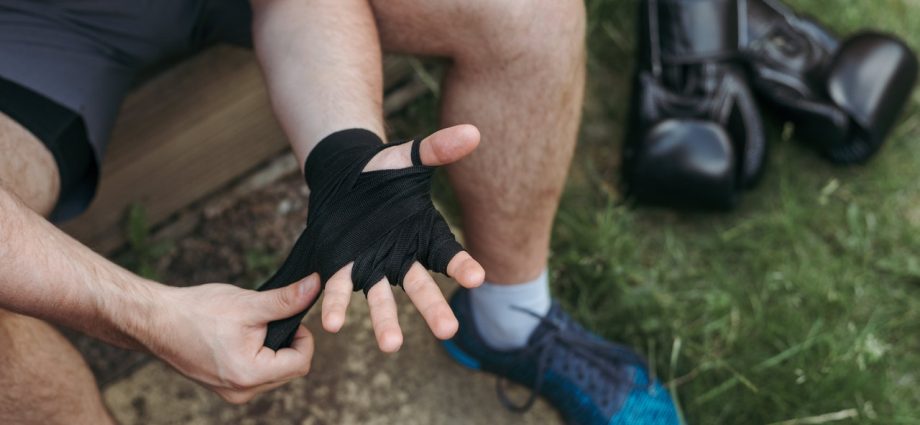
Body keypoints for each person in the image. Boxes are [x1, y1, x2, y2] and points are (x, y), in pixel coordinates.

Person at [0, 0, 679, 423]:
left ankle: (510, 324)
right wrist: (146, 313)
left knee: (532, 10)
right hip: (22, 36)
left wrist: (344, 155)